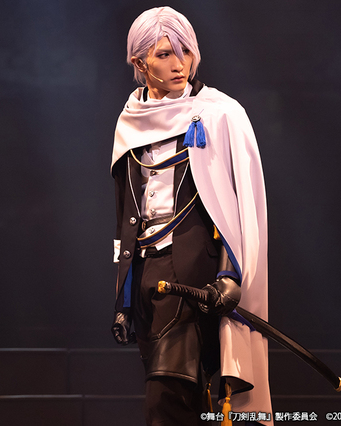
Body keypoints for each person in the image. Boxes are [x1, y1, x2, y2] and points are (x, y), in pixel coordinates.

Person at [109, 7, 271, 425]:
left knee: (167, 399)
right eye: (164, 54)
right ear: (139, 62)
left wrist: (231, 273)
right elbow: (125, 212)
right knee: (187, 398)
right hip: (146, 274)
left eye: (185, 52)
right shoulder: (129, 121)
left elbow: (240, 206)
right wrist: (123, 294)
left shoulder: (218, 112)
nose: (179, 63)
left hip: (194, 272)